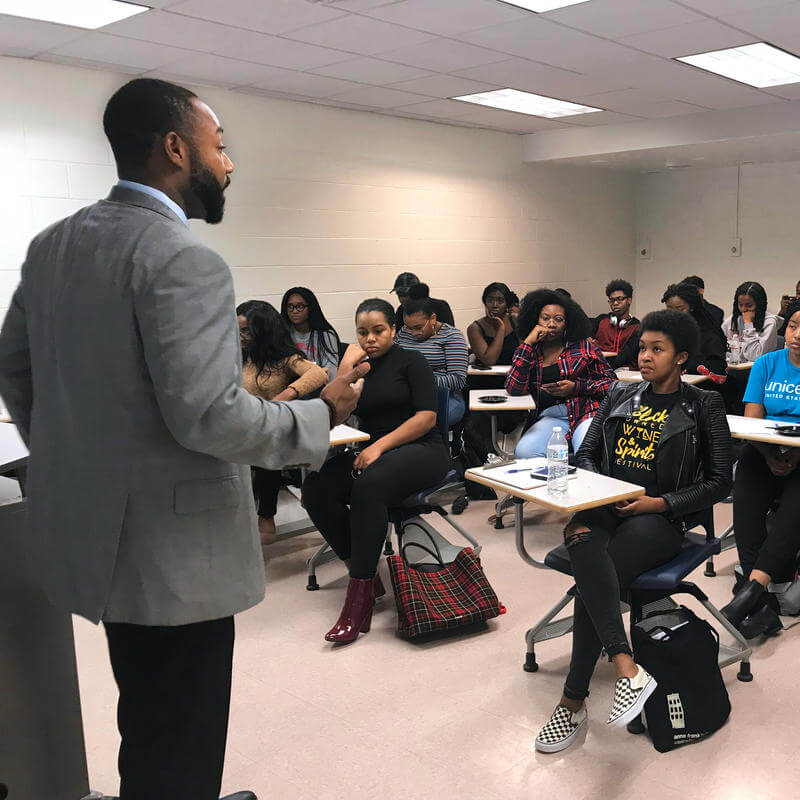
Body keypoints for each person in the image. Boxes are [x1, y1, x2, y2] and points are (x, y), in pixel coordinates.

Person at [0, 78, 367, 800]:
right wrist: (322, 416)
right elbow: (209, 417)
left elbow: (13, 363)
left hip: (99, 538)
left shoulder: (54, 244)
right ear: (175, 148)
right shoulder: (183, 258)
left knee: (150, 715)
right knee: (182, 739)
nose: (228, 164)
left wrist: (75, 451)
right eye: (220, 146)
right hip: (175, 561)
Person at [535, 310, 732, 753]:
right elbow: (585, 456)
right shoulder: (619, 394)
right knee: (584, 543)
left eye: (656, 349)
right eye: (642, 347)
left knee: (593, 578)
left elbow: (721, 481)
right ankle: (626, 666)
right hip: (605, 506)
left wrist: (659, 502)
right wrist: (604, 491)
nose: (644, 356)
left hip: (659, 516)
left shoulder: (703, 406)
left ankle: (572, 702)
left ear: (680, 358)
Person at [302, 299, 449, 645]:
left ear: (394, 330)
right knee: (317, 487)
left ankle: (359, 601)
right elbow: (334, 411)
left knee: (368, 485)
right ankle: (363, 571)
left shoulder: (412, 361)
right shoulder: (361, 368)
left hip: (423, 449)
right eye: (362, 332)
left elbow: (426, 417)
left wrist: (379, 447)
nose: (370, 338)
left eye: (378, 330)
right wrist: (346, 372)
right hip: (375, 455)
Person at [722, 299, 800, 639]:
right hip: (765, 447)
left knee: (794, 508)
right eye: (794, 326)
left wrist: (794, 457)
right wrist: (769, 455)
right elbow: (752, 420)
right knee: (747, 492)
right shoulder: (768, 363)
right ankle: (764, 602)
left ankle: (754, 589)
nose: (798, 334)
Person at [239, 301, 328, 545]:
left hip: (272, 429)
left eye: (246, 331)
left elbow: (319, 373)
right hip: (244, 426)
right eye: (237, 331)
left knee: (268, 452)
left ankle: (266, 515)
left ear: (262, 331)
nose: (241, 337)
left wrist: (286, 395)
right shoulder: (239, 356)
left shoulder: (283, 358)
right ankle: (238, 517)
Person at [506, 289, 615, 457]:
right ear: (535, 319)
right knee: (525, 452)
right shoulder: (530, 351)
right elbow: (514, 388)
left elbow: (612, 385)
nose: (551, 324)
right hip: (550, 417)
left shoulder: (583, 347)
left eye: (558, 319)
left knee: (587, 453)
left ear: (566, 323)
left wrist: (576, 387)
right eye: (545, 318)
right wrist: (528, 342)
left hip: (586, 412)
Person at [396, 296, 468, 424]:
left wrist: (419, 383)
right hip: (406, 397)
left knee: (418, 422)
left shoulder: (452, 336)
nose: (413, 333)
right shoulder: (403, 333)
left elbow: (458, 380)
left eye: (418, 327)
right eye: (409, 327)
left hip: (444, 397)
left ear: (433, 319)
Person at [661, 282, 727, 379]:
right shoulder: (665, 333)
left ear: (692, 308)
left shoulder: (708, 335)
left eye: (680, 309)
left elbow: (718, 371)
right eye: (669, 309)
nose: (673, 314)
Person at [280, 286, 341, 381]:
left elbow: (331, 371)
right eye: (290, 307)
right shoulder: (282, 334)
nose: (294, 311)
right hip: (290, 388)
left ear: (310, 308)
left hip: (319, 387)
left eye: (300, 307)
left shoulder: (326, 335)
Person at [722, 281, 779, 361]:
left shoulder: (770, 323)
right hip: (733, 369)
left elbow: (755, 357)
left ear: (759, 305)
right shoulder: (734, 319)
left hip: (758, 370)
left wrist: (748, 324)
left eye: (749, 306)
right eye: (740, 305)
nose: (743, 309)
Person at [467, 282, 519, 367]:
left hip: (514, 375)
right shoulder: (474, 328)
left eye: (500, 301)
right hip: (486, 377)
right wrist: (501, 328)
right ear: (485, 303)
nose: (495, 305)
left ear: (507, 304)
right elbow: (489, 360)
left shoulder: (515, 320)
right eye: (490, 300)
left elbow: (524, 354)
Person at [593, 279, 639, 355]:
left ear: (629, 300)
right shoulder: (601, 320)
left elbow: (624, 357)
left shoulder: (636, 327)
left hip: (623, 366)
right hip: (600, 365)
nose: (615, 303)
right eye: (612, 300)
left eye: (620, 299)